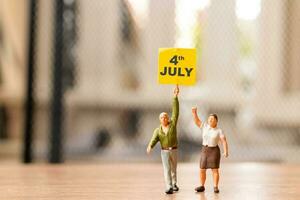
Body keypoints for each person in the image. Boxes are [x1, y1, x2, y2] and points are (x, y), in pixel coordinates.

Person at [147, 85, 180, 194]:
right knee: (167, 169)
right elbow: (154, 139)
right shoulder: (158, 130)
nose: (164, 118)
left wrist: (175, 97)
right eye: (162, 117)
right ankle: (169, 186)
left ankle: (174, 183)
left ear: (168, 118)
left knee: (174, 168)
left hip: (174, 149)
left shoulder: (173, 124)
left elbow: (175, 112)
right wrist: (150, 146)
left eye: (165, 116)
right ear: (160, 120)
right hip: (164, 151)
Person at [191, 107, 229, 193]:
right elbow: (197, 122)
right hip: (205, 150)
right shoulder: (205, 126)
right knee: (202, 169)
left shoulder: (219, 131)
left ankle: (215, 186)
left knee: (214, 169)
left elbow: (224, 141)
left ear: (216, 121)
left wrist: (226, 151)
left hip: (214, 151)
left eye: (212, 119)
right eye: (209, 119)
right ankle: (202, 185)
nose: (210, 120)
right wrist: (194, 114)